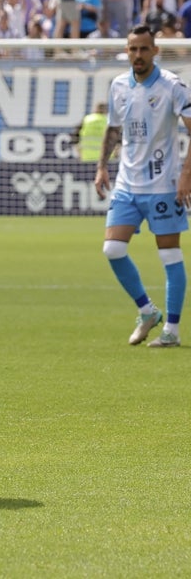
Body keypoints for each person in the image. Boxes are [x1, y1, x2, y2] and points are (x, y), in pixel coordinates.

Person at [94, 26, 191, 348]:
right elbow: (112, 129)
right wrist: (101, 167)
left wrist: (187, 174)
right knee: (113, 249)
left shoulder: (172, 86)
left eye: (144, 49)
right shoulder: (119, 85)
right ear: (127, 50)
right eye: (133, 49)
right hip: (127, 184)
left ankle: (172, 331)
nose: (138, 55)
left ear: (155, 51)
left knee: (169, 255)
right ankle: (147, 311)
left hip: (163, 185)